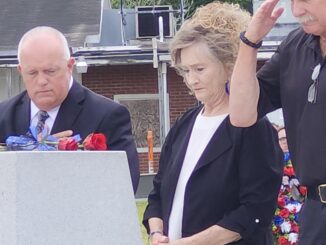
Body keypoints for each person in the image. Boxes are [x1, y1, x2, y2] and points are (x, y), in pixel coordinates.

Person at [143, 2, 283, 244]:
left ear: (230, 66)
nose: (191, 80)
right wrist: (157, 233)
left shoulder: (253, 128)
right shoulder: (184, 124)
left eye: (199, 69)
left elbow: (254, 211)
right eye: (186, 70)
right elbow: (158, 193)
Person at [229, 0, 326, 242]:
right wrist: (249, 42)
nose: (297, 11)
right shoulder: (295, 46)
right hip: (316, 211)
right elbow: (241, 114)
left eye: (305, 0)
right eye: (293, 1)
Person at [0, 26, 139, 193]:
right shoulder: (4, 116)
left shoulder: (107, 115)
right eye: (32, 73)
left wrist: (60, 161)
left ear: (70, 66)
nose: (42, 80)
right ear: (20, 71)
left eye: (50, 71)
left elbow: (124, 184)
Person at [272, 127, 306, 245]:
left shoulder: (303, 160)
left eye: (286, 138)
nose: (284, 141)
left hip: (299, 212)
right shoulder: (272, 162)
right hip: (277, 214)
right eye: (281, 139)